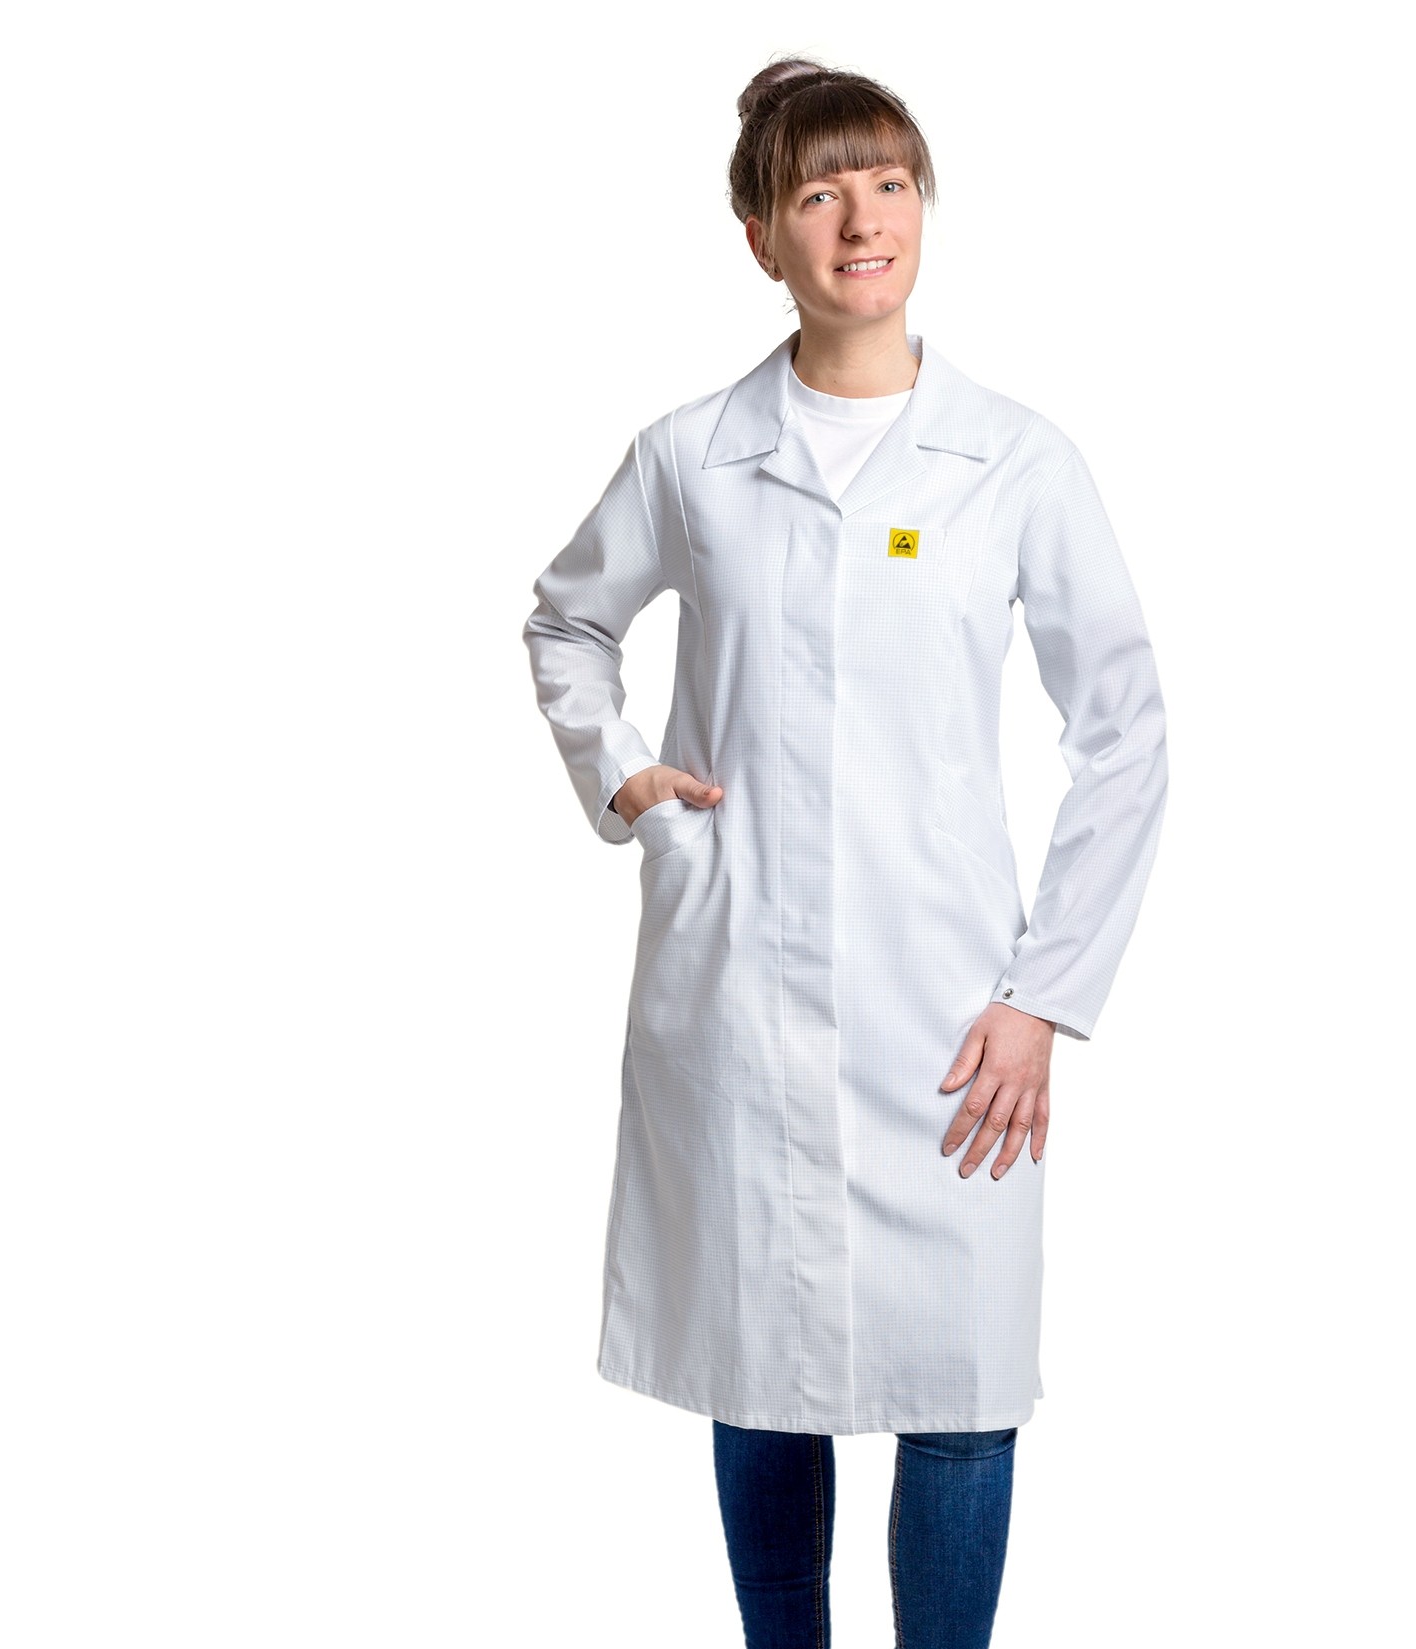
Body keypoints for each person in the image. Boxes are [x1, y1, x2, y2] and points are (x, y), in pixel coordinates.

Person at [523, 55, 1169, 1649]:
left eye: (886, 182)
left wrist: (1046, 994)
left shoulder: (1014, 460)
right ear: (763, 235)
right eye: (818, 192)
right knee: (761, 1372)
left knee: (961, 1388)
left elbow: (1127, 729)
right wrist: (623, 778)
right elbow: (567, 620)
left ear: (924, 206)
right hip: (739, 984)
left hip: (954, 1008)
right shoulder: (692, 454)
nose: (860, 219)